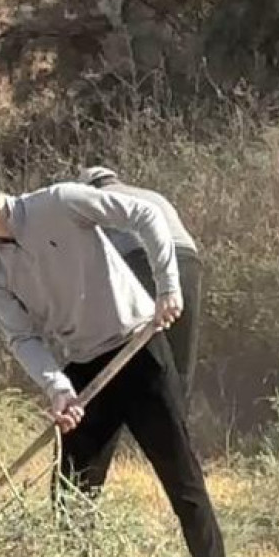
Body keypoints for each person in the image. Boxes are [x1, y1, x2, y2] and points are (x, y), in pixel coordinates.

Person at [0, 159, 228, 557]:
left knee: (181, 480)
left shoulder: (60, 202)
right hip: (84, 372)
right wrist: (57, 388)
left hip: (138, 350)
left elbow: (144, 216)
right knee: (71, 496)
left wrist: (168, 285)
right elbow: (22, 338)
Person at [79, 166, 203, 394]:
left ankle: (135, 416)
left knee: (139, 357)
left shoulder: (91, 202)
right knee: (181, 358)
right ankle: (178, 420)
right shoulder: (155, 196)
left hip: (140, 259)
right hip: (188, 262)